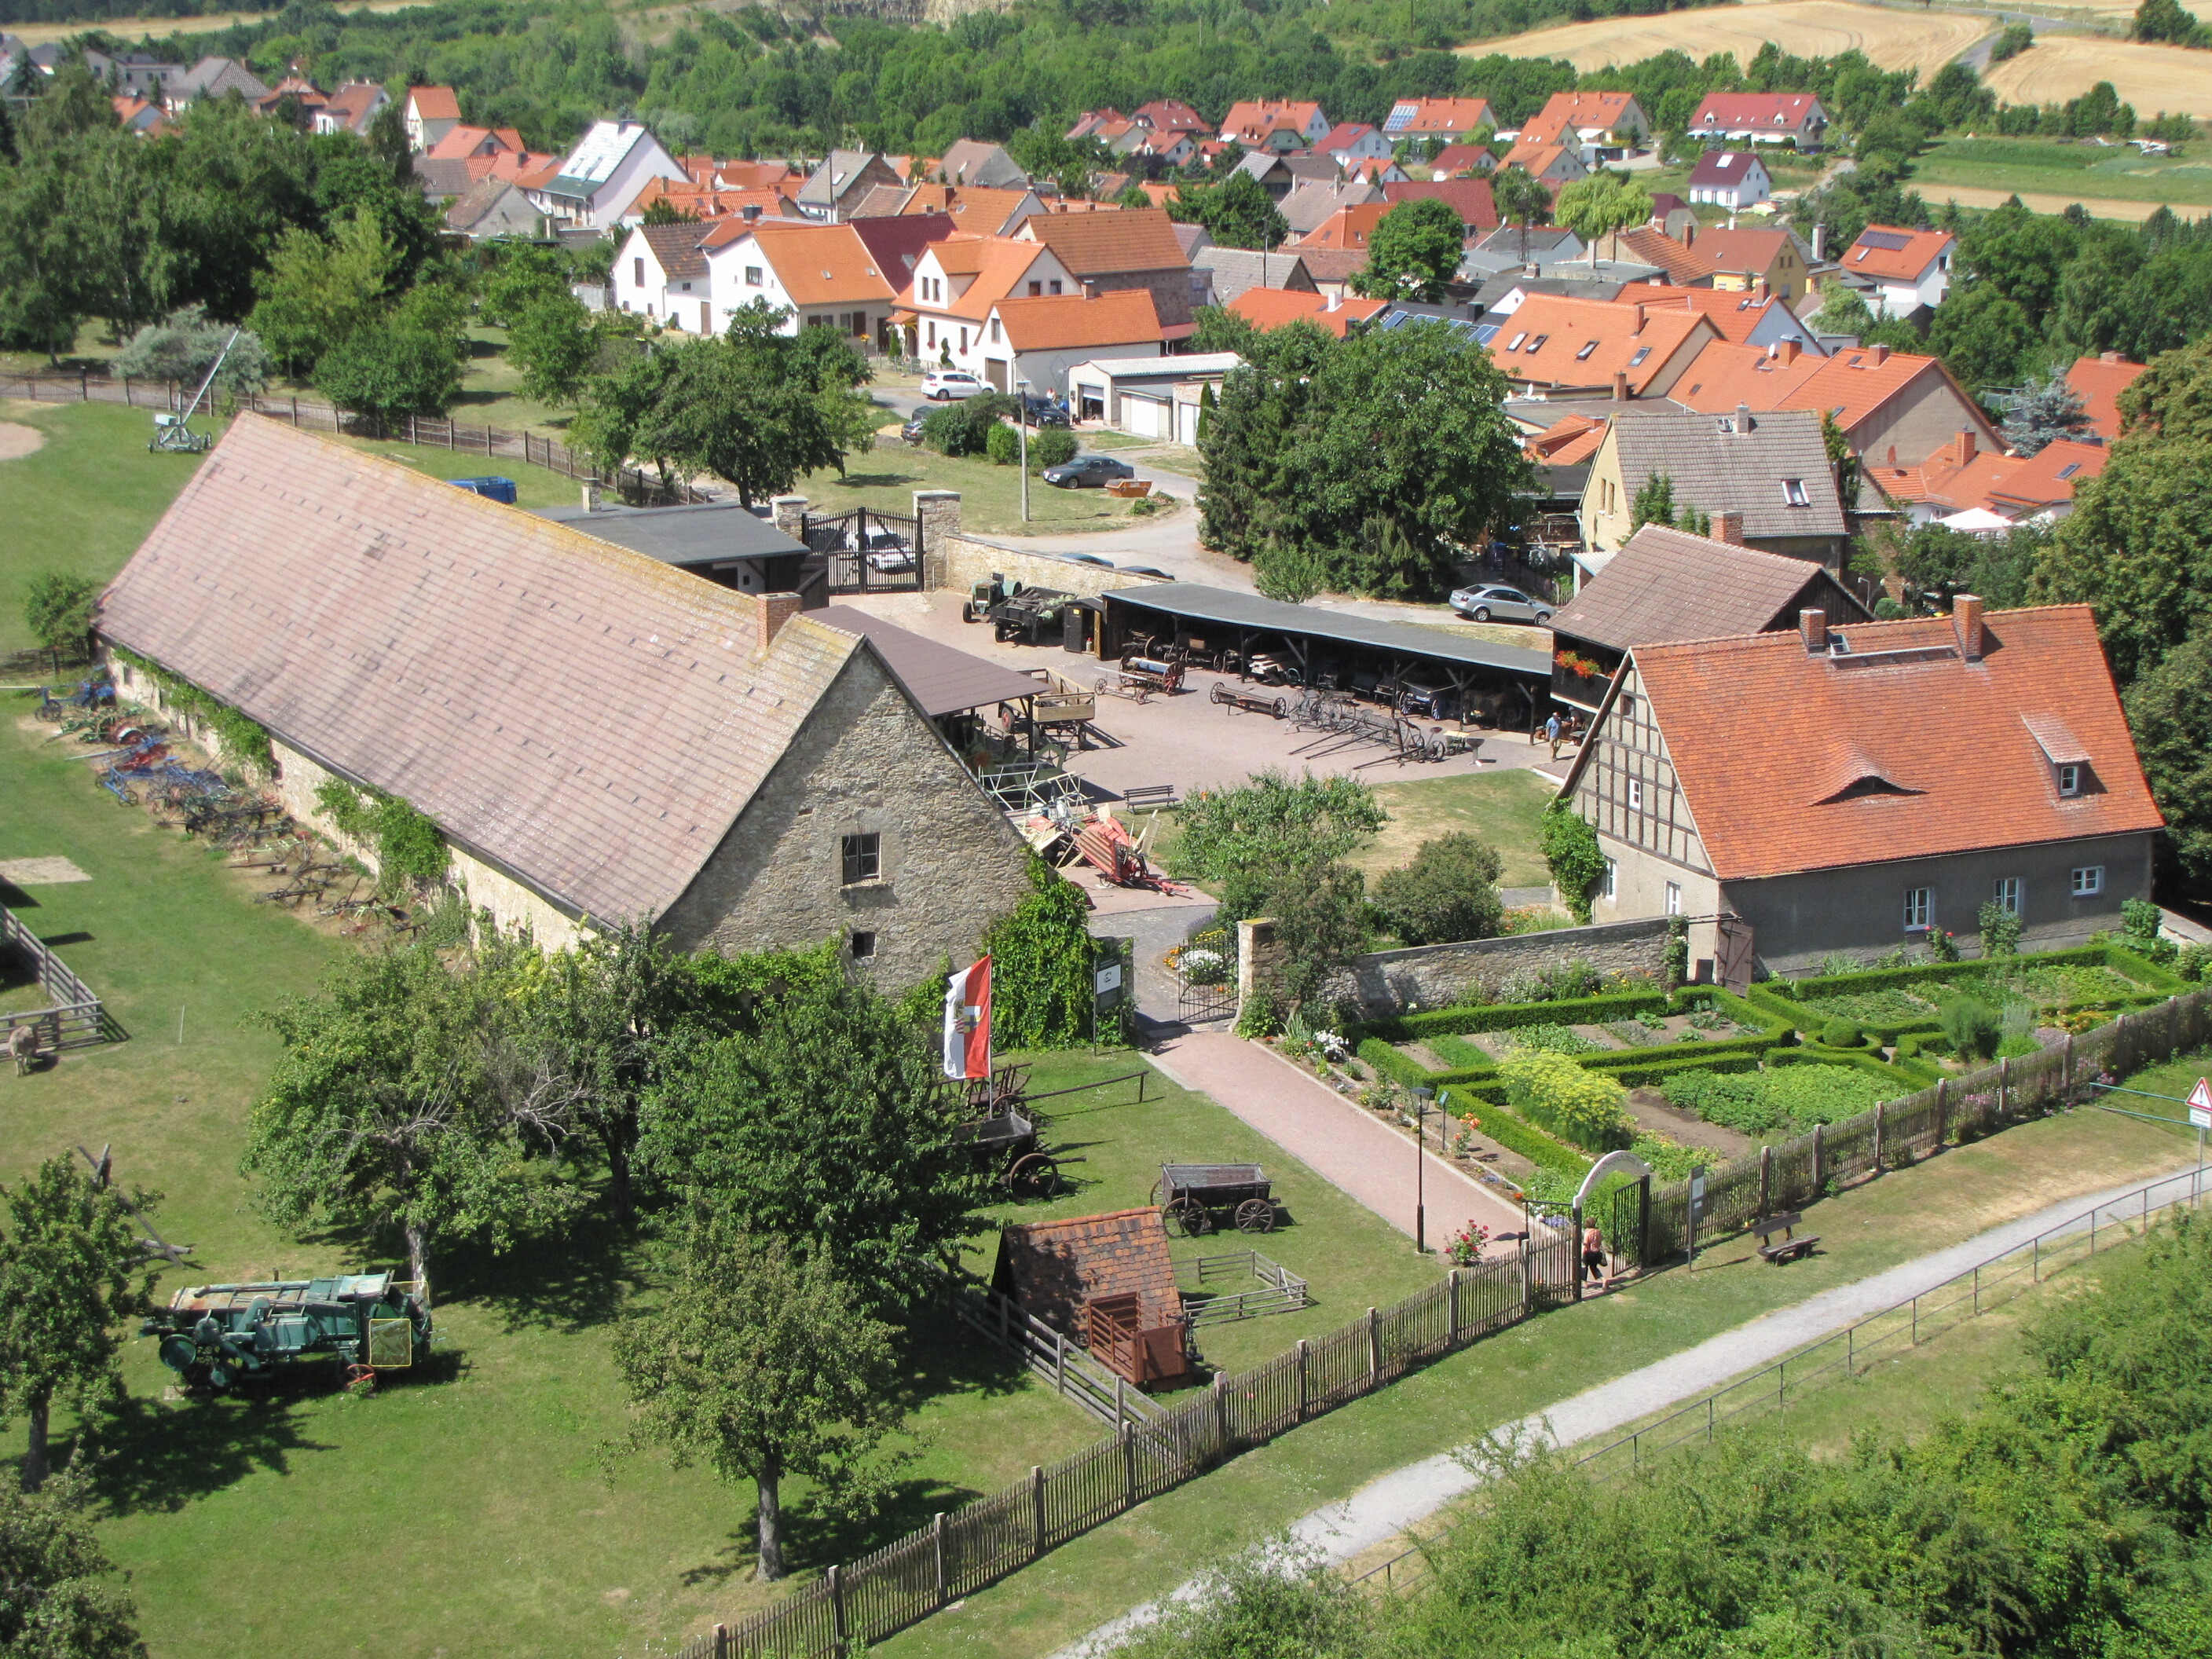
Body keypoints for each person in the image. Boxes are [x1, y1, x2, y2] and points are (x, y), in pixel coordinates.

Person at [1582, 1220, 1609, 1289]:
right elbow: (1600, 1241)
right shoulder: (1598, 1232)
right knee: (1594, 1268)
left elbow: (1586, 1244)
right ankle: (1603, 1280)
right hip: (1597, 1252)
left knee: (1584, 1267)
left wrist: (1583, 1254)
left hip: (1589, 1252)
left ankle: (1585, 1283)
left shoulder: (1587, 1233)